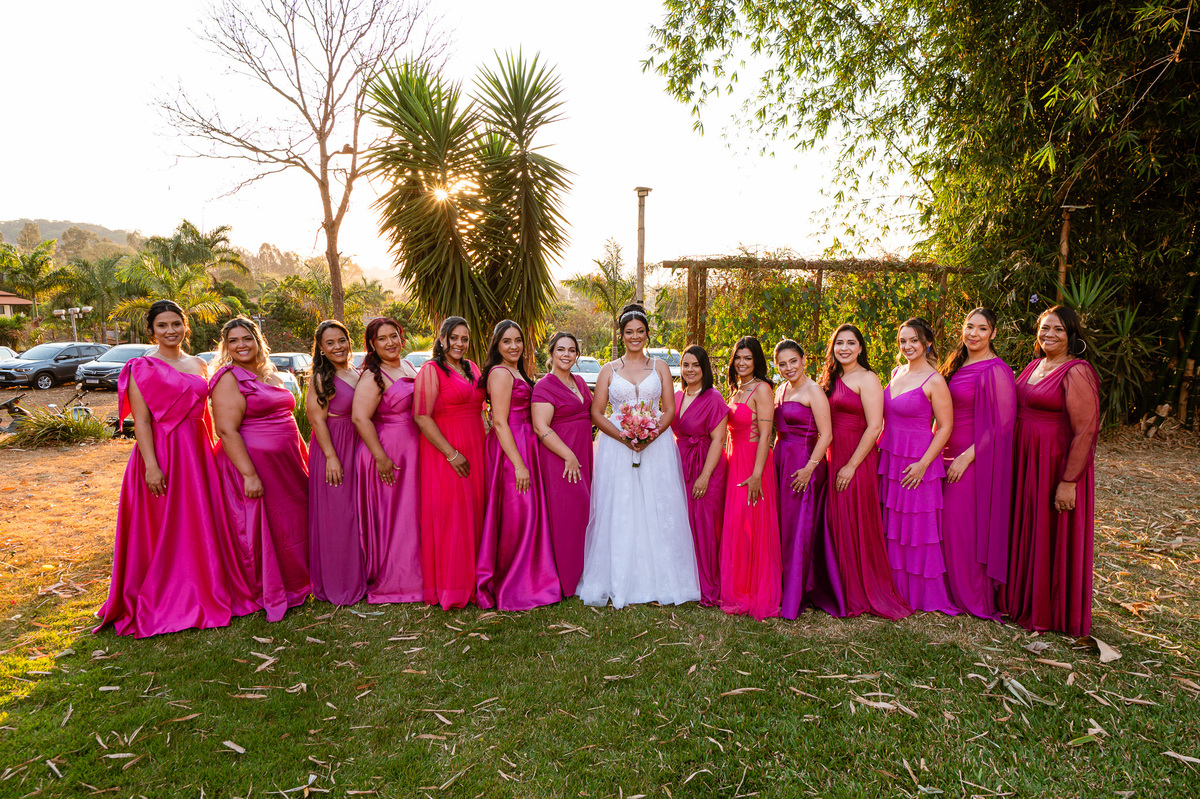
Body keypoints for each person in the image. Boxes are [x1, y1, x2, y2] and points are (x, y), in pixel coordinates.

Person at [96, 300, 256, 637]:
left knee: (199, 521)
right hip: (162, 453)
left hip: (197, 452)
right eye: (162, 325)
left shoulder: (199, 364)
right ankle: (170, 593)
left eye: (176, 324)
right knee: (165, 526)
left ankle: (205, 585)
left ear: (186, 326)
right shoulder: (141, 367)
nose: (170, 331)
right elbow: (141, 421)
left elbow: (210, 413)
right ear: (151, 330)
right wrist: (152, 466)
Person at [576, 303, 700, 608]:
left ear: (647, 334)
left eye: (640, 331)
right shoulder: (608, 370)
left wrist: (649, 435)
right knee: (621, 505)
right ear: (621, 335)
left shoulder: (660, 368)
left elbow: (669, 410)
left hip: (656, 446)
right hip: (617, 447)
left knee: (657, 504)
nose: (635, 336)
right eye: (629, 332)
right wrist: (624, 436)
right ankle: (620, 578)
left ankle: (662, 579)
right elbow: (596, 412)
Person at [1002, 305, 1100, 636]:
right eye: (1045, 328)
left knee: (1049, 531)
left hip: (1053, 464)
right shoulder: (1034, 365)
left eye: (1058, 329)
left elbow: (1086, 431)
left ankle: (1050, 609)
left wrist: (1069, 482)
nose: (1049, 334)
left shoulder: (1077, 371)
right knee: (1027, 525)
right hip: (1025, 460)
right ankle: (1021, 599)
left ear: (1072, 335)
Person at [211, 317, 311, 622]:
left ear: (258, 341)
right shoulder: (229, 378)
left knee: (290, 525)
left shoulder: (271, 374)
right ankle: (268, 588)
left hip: (286, 466)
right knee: (264, 529)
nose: (241, 345)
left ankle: (298, 582)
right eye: (233, 341)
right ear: (226, 347)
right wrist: (249, 475)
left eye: (247, 338)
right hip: (254, 466)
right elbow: (226, 430)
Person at [816, 324, 911, 620]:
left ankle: (859, 588)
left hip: (856, 458)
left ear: (860, 348)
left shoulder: (868, 378)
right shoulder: (832, 378)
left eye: (850, 343)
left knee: (854, 518)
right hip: (834, 455)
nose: (844, 348)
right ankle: (839, 586)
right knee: (836, 520)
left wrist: (851, 465)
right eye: (839, 343)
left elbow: (874, 426)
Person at [476, 320, 561, 610]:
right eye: (507, 341)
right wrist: (518, 465)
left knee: (529, 511)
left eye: (518, 340)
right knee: (518, 512)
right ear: (497, 345)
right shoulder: (500, 373)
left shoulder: (517, 371)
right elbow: (499, 422)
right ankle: (514, 582)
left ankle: (533, 576)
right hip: (511, 447)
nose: (514, 346)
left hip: (527, 442)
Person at [940, 308, 1016, 620]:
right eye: (969, 327)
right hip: (944, 454)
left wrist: (966, 457)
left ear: (993, 333)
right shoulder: (956, 364)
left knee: (961, 527)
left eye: (982, 329)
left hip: (973, 460)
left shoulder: (996, 370)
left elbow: (1003, 423)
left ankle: (970, 595)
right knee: (946, 525)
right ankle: (944, 590)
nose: (973, 334)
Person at [878, 318, 958, 614]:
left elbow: (946, 426)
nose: (908, 346)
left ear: (927, 343)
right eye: (903, 341)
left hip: (917, 460)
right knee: (892, 524)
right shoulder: (896, 372)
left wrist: (923, 464)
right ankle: (891, 587)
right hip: (891, 456)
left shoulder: (935, 380)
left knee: (915, 528)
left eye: (914, 340)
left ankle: (918, 594)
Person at [414, 317, 487, 609]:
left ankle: (476, 580)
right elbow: (422, 417)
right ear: (442, 339)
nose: (459, 343)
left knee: (474, 512)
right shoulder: (431, 371)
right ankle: (453, 586)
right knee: (453, 516)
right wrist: (451, 453)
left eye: (464, 339)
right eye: (453, 337)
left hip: (476, 446)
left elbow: (481, 408)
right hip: (446, 451)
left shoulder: (472, 368)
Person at [351, 317, 423, 604]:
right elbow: (360, 418)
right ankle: (399, 577)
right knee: (396, 515)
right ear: (372, 344)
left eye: (393, 336)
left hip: (413, 448)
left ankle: (419, 569)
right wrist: (381, 457)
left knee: (411, 511)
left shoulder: (407, 365)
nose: (390, 342)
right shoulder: (373, 375)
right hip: (388, 450)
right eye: (382, 338)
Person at [720, 336, 782, 620]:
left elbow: (767, 434)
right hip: (735, 460)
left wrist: (757, 474)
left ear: (756, 361)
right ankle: (739, 585)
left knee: (754, 523)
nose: (742, 363)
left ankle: (756, 589)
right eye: (738, 358)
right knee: (737, 523)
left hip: (754, 463)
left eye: (748, 358)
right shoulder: (735, 389)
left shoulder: (762, 389)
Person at [772, 339, 834, 620]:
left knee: (799, 528)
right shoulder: (781, 389)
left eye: (793, 361)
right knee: (784, 527)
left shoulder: (814, 390)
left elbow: (826, 434)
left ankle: (797, 594)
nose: (788, 368)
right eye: (782, 364)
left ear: (804, 360)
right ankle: (782, 587)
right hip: (781, 461)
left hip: (804, 464)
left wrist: (810, 467)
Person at [306, 320, 365, 606]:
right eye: (330, 343)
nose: (338, 346)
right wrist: (331, 457)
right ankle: (340, 582)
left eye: (341, 340)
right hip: (335, 448)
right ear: (321, 348)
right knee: (339, 516)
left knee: (358, 512)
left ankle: (363, 573)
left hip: (358, 445)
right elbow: (316, 420)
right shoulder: (320, 377)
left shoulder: (357, 371)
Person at [531, 331, 594, 597]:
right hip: (561, 458)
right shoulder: (544, 386)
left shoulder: (579, 381)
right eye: (561, 349)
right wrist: (568, 455)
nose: (566, 354)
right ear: (551, 353)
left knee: (584, 512)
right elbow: (540, 427)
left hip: (583, 454)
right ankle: (565, 579)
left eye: (571, 350)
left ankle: (584, 573)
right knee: (567, 514)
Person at [670, 344, 729, 607]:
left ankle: (708, 583)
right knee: (684, 523)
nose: (690, 370)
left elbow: (719, 439)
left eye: (696, 365)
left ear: (704, 368)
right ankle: (687, 581)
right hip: (681, 463)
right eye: (686, 365)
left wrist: (705, 476)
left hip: (707, 464)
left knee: (705, 525)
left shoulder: (713, 397)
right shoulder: (676, 396)